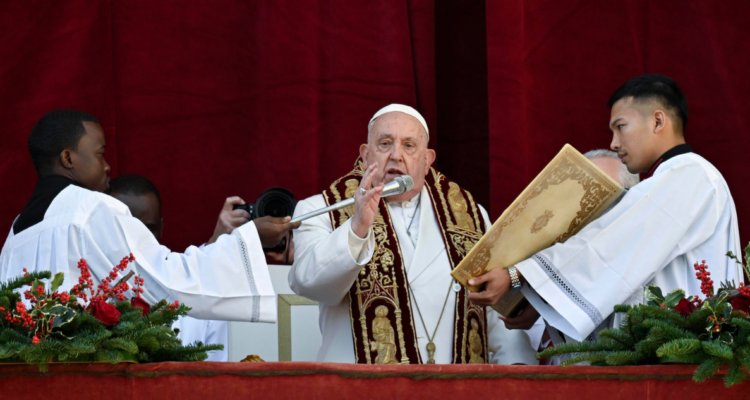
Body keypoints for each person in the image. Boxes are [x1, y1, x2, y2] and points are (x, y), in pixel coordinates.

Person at [469, 75, 743, 344]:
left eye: (621, 126)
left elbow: (608, 247)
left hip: (678, 358)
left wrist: (518, 275)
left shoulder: (689, 175)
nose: (614, 143)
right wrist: (544, 300)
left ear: (658, 121)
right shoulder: (679, 178)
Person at [1, 109, 300, 325]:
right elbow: (164, 283)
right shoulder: (92, 208)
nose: (107, 167)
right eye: (100, 153)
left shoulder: (16, 232)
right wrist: (250, 239)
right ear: (68, 159)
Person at [290, 104, 536, 364]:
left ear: (428, 160)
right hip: (363, 389)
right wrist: (357, 229)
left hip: (457, 388)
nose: (396, 154)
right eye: (385, 143)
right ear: (365, 155)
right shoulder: (321, 209)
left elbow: (492, 308)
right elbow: (309, 284)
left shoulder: (471, 215)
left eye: (409, 145)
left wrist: (517, 369)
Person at [107, 174, 248, 362]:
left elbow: (216, 379)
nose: (138, 241)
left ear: (161, 228)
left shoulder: (204, 295)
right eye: (127, 230)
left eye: (148, 230)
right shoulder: (83, 289)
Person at [518, 150, 640, 361]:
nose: (590, 211)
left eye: (603, 197)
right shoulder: (543, 278)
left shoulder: (651, 265)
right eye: (581, 200)